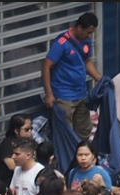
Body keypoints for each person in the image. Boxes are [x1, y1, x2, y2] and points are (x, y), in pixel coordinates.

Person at [43, 13, 102, 141]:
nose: (90, 35)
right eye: (88, 32)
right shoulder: (61, 43)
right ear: (79, 28)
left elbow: (86, 61)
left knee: (84, 130)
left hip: (81, 94)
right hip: (64, 96)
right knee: (65, 134)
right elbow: (46, 66)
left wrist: (99, 78)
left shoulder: (86, 40)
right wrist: (49, 94)